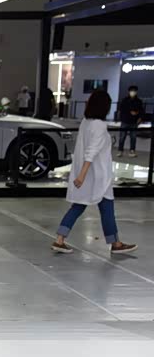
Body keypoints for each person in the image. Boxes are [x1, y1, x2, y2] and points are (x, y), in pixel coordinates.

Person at [51, 90, 136, 255]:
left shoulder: (86, 122)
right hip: (98, 175)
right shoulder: (99, 125)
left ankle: (60, 239)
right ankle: (115, 243)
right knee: (107, 208)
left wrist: (81, 174)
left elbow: (85, 149)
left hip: (87, 174)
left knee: (78, 205)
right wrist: (82, 176)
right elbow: (92, 152)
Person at [117, 85, 144, 158]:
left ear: (136, 92)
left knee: (133, 137)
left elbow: (141, 111)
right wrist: (120, 118)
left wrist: (138, 116)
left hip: (134, 122)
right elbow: (121, 110)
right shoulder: (124, 100)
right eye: (131, 91)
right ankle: (120, 150)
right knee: (122, 137)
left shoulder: (139, 101)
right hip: (125, 121)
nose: (133, 92)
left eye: (134, 91)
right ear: (128, 92)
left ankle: (132, 151)